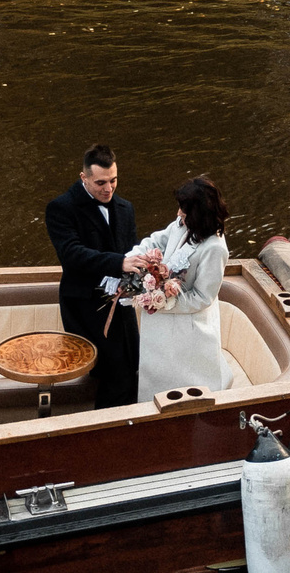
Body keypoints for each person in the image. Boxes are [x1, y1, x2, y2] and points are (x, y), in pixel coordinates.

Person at [44, 144, 141, 408]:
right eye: (100, 182)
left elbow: (133, 250)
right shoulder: (61, 208)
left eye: (113, 180)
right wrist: (119, 262)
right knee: (115, 373)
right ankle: (106, 433)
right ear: (83, 177)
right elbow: (72, 254)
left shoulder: (125, 208)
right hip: (84, 306)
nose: (108, 188)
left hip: (122, 307)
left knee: (135, 366)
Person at [122, 177, 234, 400]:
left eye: (183, 209)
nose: (178, 213)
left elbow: (203, 297)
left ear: (198, 213)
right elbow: (156, 241)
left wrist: (161, 301)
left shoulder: (215, 249)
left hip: (189, 329)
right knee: (155, 373)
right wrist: (134, 258)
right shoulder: (182, 224)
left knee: (185, 380)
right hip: (161, 324)